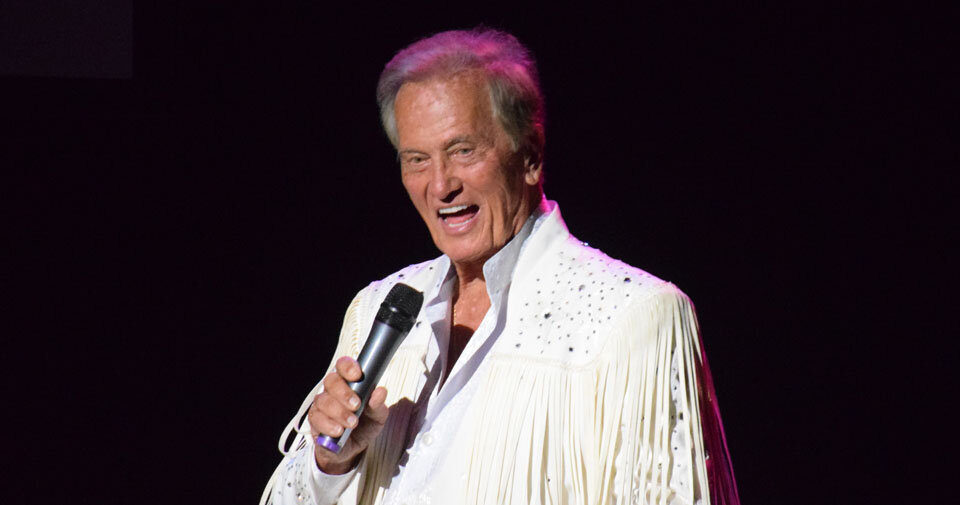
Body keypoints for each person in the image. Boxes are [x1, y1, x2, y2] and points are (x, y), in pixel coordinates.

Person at [261, 28, 738, 505]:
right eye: (417, 160)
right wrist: (331, 465)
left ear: (530, 155)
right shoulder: (377, 309)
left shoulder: (632, 318)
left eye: (463, 151)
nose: (440, 185)